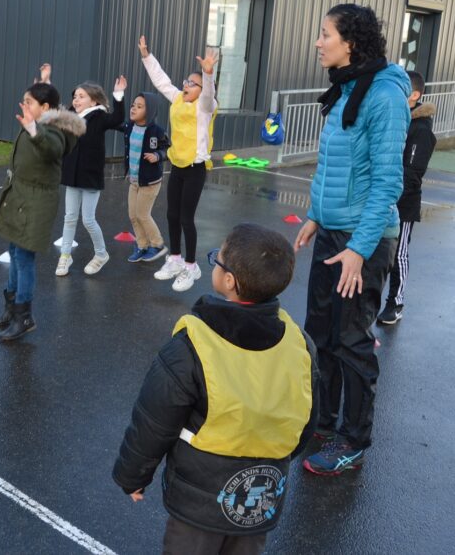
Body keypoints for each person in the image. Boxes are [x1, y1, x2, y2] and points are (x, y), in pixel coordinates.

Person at [113, 224, 317, 555]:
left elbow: (155, 420)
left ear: (229, 281)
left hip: (198, 503)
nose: (216, 265)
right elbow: (306, 419)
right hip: (261, 495)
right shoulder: (299, 344)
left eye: (217, 261)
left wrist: (133, 476)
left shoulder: (194, 342)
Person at [294, 4, 411, 475]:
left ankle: (353, 438)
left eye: (325, 34)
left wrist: (358, 251)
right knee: (321, 334)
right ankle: (323, 422)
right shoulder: (346, 89)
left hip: (361, 242)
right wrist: (315, 216)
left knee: (351, 341)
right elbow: (335, 166)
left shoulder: (381, 95)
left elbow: (387, 184)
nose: (318, 42)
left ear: (351, 43)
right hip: (333, 233)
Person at [0, 80, 85, 342]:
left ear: (45, 107)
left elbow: (53, 149)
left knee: (24, 257)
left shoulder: (55, 129)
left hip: (37, 201)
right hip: (21, 195)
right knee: (14, 251)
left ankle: (24, 316)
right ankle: (11, 308)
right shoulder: (41, 122)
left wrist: (33, 129)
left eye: (29, 102)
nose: (24, 105)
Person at [139, 37, 219, 292]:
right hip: (178, 165)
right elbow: (161, 80)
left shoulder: (206, 106)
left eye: (190, 83)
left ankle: (191, 265)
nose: (185, 85)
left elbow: (208, 94)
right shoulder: (177, 99)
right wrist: (146, 56)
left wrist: (206, 74)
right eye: (185, 82)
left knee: (186, 217)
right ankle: (174, 259)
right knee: (172, 214)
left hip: (196, 167)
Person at [378, 70, 436, 325]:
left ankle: (395, 303)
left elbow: (412, 173)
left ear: (414, 95)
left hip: (403, 204)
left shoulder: (421, 130)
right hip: (381, 200)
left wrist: (393, 196)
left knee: (397, 254)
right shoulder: (394, 119)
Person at [56, 76, 126, 276]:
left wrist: (118, 95)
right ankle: (65, 256)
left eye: (81, 96)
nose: (76, 100)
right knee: (69, 217)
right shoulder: (70, 115)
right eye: (75, 96)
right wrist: (45, 83)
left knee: (88, 219)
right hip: (72, 176)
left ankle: (101, 254)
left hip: (90, 178)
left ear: (94, 101)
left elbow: (118, 119)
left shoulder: (99, 117)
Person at [114, 90, 170, 263]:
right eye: (133, 105)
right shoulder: (129, 126)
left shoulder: (156, 131)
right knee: (133, 214)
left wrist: (158, 156)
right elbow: (115, 120)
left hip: (150, 181)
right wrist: (118, 97)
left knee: (142, 214)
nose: (133, 109)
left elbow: (168, 149)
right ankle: (142, 245)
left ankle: (158, 244)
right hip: (135, 180)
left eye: (139, 106)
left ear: (150, 110)